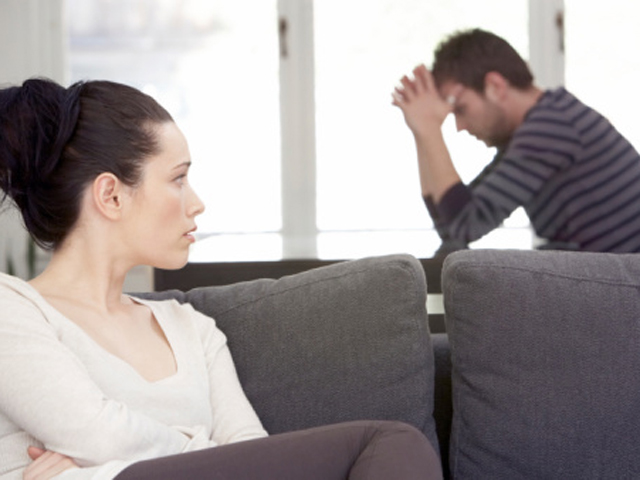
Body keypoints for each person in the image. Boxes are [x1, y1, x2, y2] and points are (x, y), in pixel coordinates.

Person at [0, 78, 443, 479]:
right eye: (178, 179)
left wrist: (94, 471)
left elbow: (258, 463)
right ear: (111, 195)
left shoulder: (192, 329)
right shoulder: (13, 309)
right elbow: (98, 434)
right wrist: (202, 450)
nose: (197, 203)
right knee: (389, 443)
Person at [392, 28, 640, 253]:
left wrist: (429, 129)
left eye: (461, 109)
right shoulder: (540, 126)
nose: (459, 126)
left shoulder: (550, 128)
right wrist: (421, 132)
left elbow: (467, 224)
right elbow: (451, 228)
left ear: (495, 86)